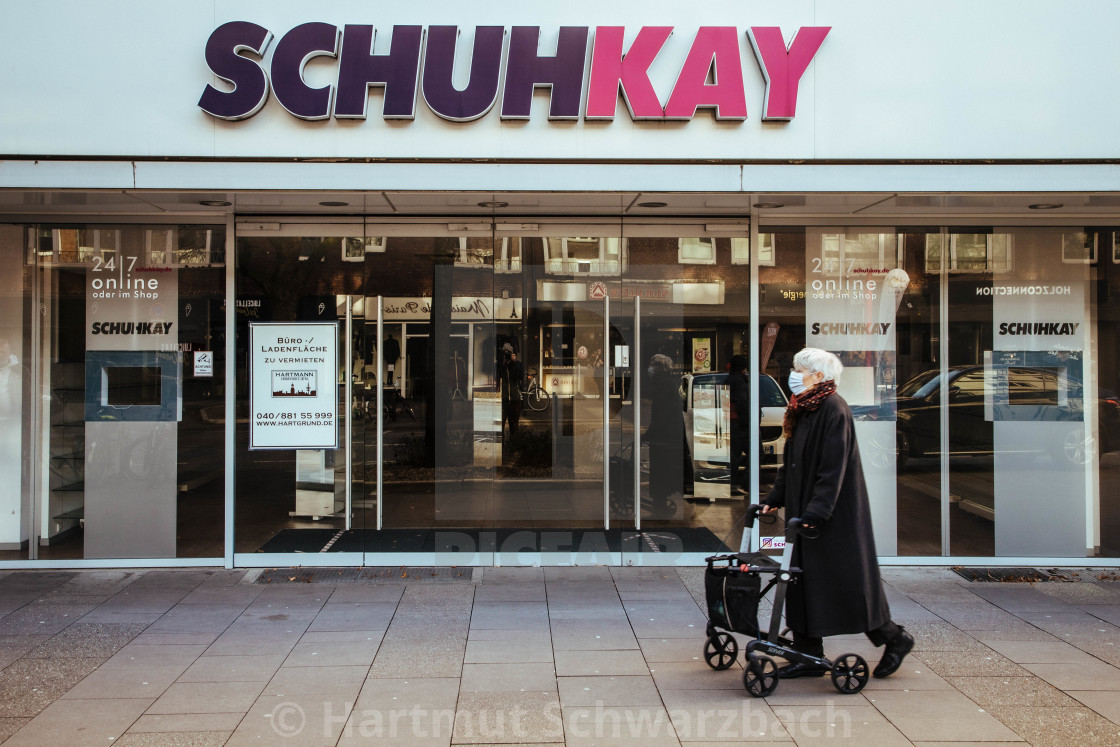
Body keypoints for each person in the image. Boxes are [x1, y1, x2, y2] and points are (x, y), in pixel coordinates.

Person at [761, 347, 914, 679]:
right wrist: (776, 496)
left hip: (832, 516)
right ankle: (807, 653)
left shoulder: (834, 409)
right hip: (807, 513)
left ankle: (894, 637)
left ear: (819, 376)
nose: (794, 374)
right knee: (801, 581)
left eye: (799, 369)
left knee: (847, 582)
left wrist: (816, 512)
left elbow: (834, 468)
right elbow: (792, 464)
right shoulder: (802, 407)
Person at [644, 354, 685, 515]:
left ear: (660, 368)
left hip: (664, 439)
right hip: (667, 436)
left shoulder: (662, 385)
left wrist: (649, 434)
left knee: (659, 472)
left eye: (652, 365)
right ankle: (659, 505)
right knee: (661, 472)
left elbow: (661, 415)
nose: (650, 368)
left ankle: (659, 507)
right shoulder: (667, 383)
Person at [727, 354, 750, 496]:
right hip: (741, 423)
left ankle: (733, 484)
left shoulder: (731, 380)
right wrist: (747, 422)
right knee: (756, 454)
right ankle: (747, 484)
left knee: (734, 455)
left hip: (735, 423)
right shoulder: (740, 382)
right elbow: (742, 403)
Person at [498, 343, 524, 441]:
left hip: (515, 400)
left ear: (513, 354)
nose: (507, 355)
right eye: (505, 353)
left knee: (514, 426)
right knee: (500, 426)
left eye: (509, 353)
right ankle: (502, 450)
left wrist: (514, 362)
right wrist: (503, 362)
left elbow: (520, 377)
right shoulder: (500, 365)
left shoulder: (518, 364)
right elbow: (498, 375)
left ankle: (513, 448)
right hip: (503, 401)